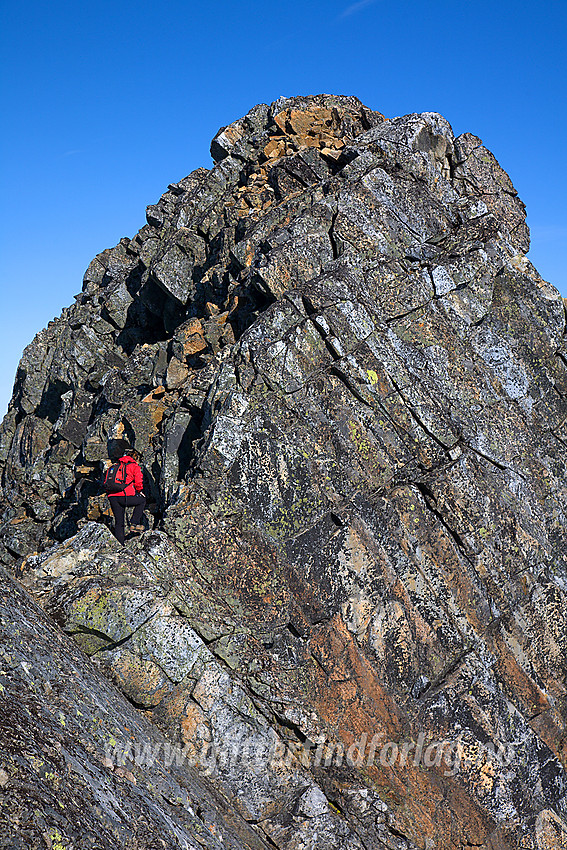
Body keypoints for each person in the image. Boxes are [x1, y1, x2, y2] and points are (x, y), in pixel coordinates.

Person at [107, 447, 146, 545]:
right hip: (124, 496)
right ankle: (134, 523)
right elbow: (138, 481)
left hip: (112, 497)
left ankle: (120, 546)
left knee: (119, 523)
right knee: (142, 501)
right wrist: (140, 491)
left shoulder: (115, 466)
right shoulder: (134, 466)